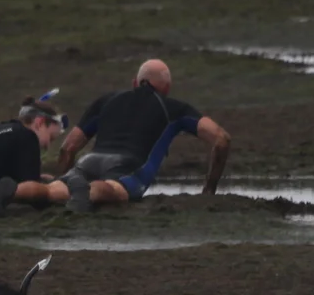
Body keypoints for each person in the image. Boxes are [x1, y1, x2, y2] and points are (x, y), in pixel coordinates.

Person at [52, 59, 232, 213]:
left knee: (50, 190)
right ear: (167, 89)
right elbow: (221, 139)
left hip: (88, 161)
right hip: (125, 167)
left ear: (134, 83)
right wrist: (209, 190)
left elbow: (67, 148)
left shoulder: (106, 101)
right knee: (113, 189)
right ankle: (84, 192)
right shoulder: (174, 109)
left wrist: (63, 178)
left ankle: (30, 191)